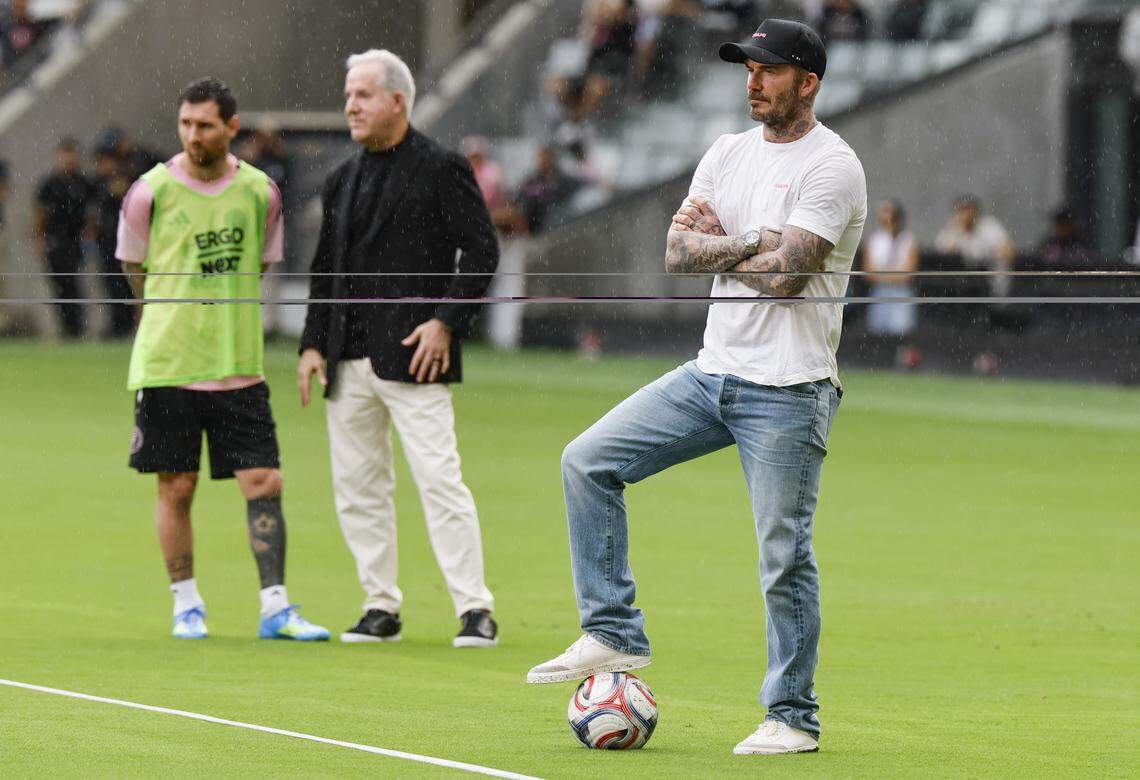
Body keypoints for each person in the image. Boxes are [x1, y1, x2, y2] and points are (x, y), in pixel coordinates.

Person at [527, 18, 866, 757]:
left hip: (789, 389)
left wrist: (731, 247)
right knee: (588, 461)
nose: (752, 80)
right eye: (747, 67)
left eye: (769, 70)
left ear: (807, 82)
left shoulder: (833, 166)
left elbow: (787, 280)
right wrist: (750, 241)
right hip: (713, 373)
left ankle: (792, 717)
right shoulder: (725, 150)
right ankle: (613, 632)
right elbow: (677, 252)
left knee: (783, 555)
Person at [297, 49, 501, 648]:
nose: (350, 106)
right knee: (358, 487)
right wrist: (312, 344)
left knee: (440, 482)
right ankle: (379, 606)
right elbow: (324, 271)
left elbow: (482, 251)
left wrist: (445, 322)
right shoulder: (341, 178)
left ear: (397, 101)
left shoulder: (442, 167)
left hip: (416, 354)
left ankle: (474, 609)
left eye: (362, 94)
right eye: (348, 95)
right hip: (345, 355)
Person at [118, 78, 328, 642]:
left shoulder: (261, 192)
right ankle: (186, 603)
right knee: (177, 487)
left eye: (205, 125)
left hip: (239, 363)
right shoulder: (150, 191)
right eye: (186, 123)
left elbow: (260, 266)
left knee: (264, 480)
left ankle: (276, 607)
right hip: (168, 364)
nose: (193, 135)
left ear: (231, 128)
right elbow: (132, 270)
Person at [33, 137, 94, 339]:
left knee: (75, 284)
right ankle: (66, 328)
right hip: (55, 242)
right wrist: (39, 239)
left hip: (77, 243)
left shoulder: (84, 183)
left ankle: (77, 327)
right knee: (59, 286)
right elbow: (39, 214)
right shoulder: (49, 185)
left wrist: (90, 233)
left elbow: (93, 212)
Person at [91, 139, 135, 338]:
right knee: (111, 284)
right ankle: (118, 323)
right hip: (105, 241)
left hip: (124, 239)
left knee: (126, 283)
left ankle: (126, 323)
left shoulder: (127, 180)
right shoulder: (96, 184)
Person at [935, 195, 1015, 296]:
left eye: (967, 209)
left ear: (975, 211)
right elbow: (940, 257)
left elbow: (1008, 254)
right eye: (960, 210)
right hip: (963, 285)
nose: (965, 214)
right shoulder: (952, 229)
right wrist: (957, 233)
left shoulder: (989, 226)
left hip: (991, 281)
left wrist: (986, 253)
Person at [863, 199, 918, 336]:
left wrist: (882, 275)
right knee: (877, 331)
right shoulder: (875, 240)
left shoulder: (908, 239)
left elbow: (908, 274)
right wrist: (894, 275)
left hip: (901, 294)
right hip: (879, 293)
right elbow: (869, 272)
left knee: (901, 331)